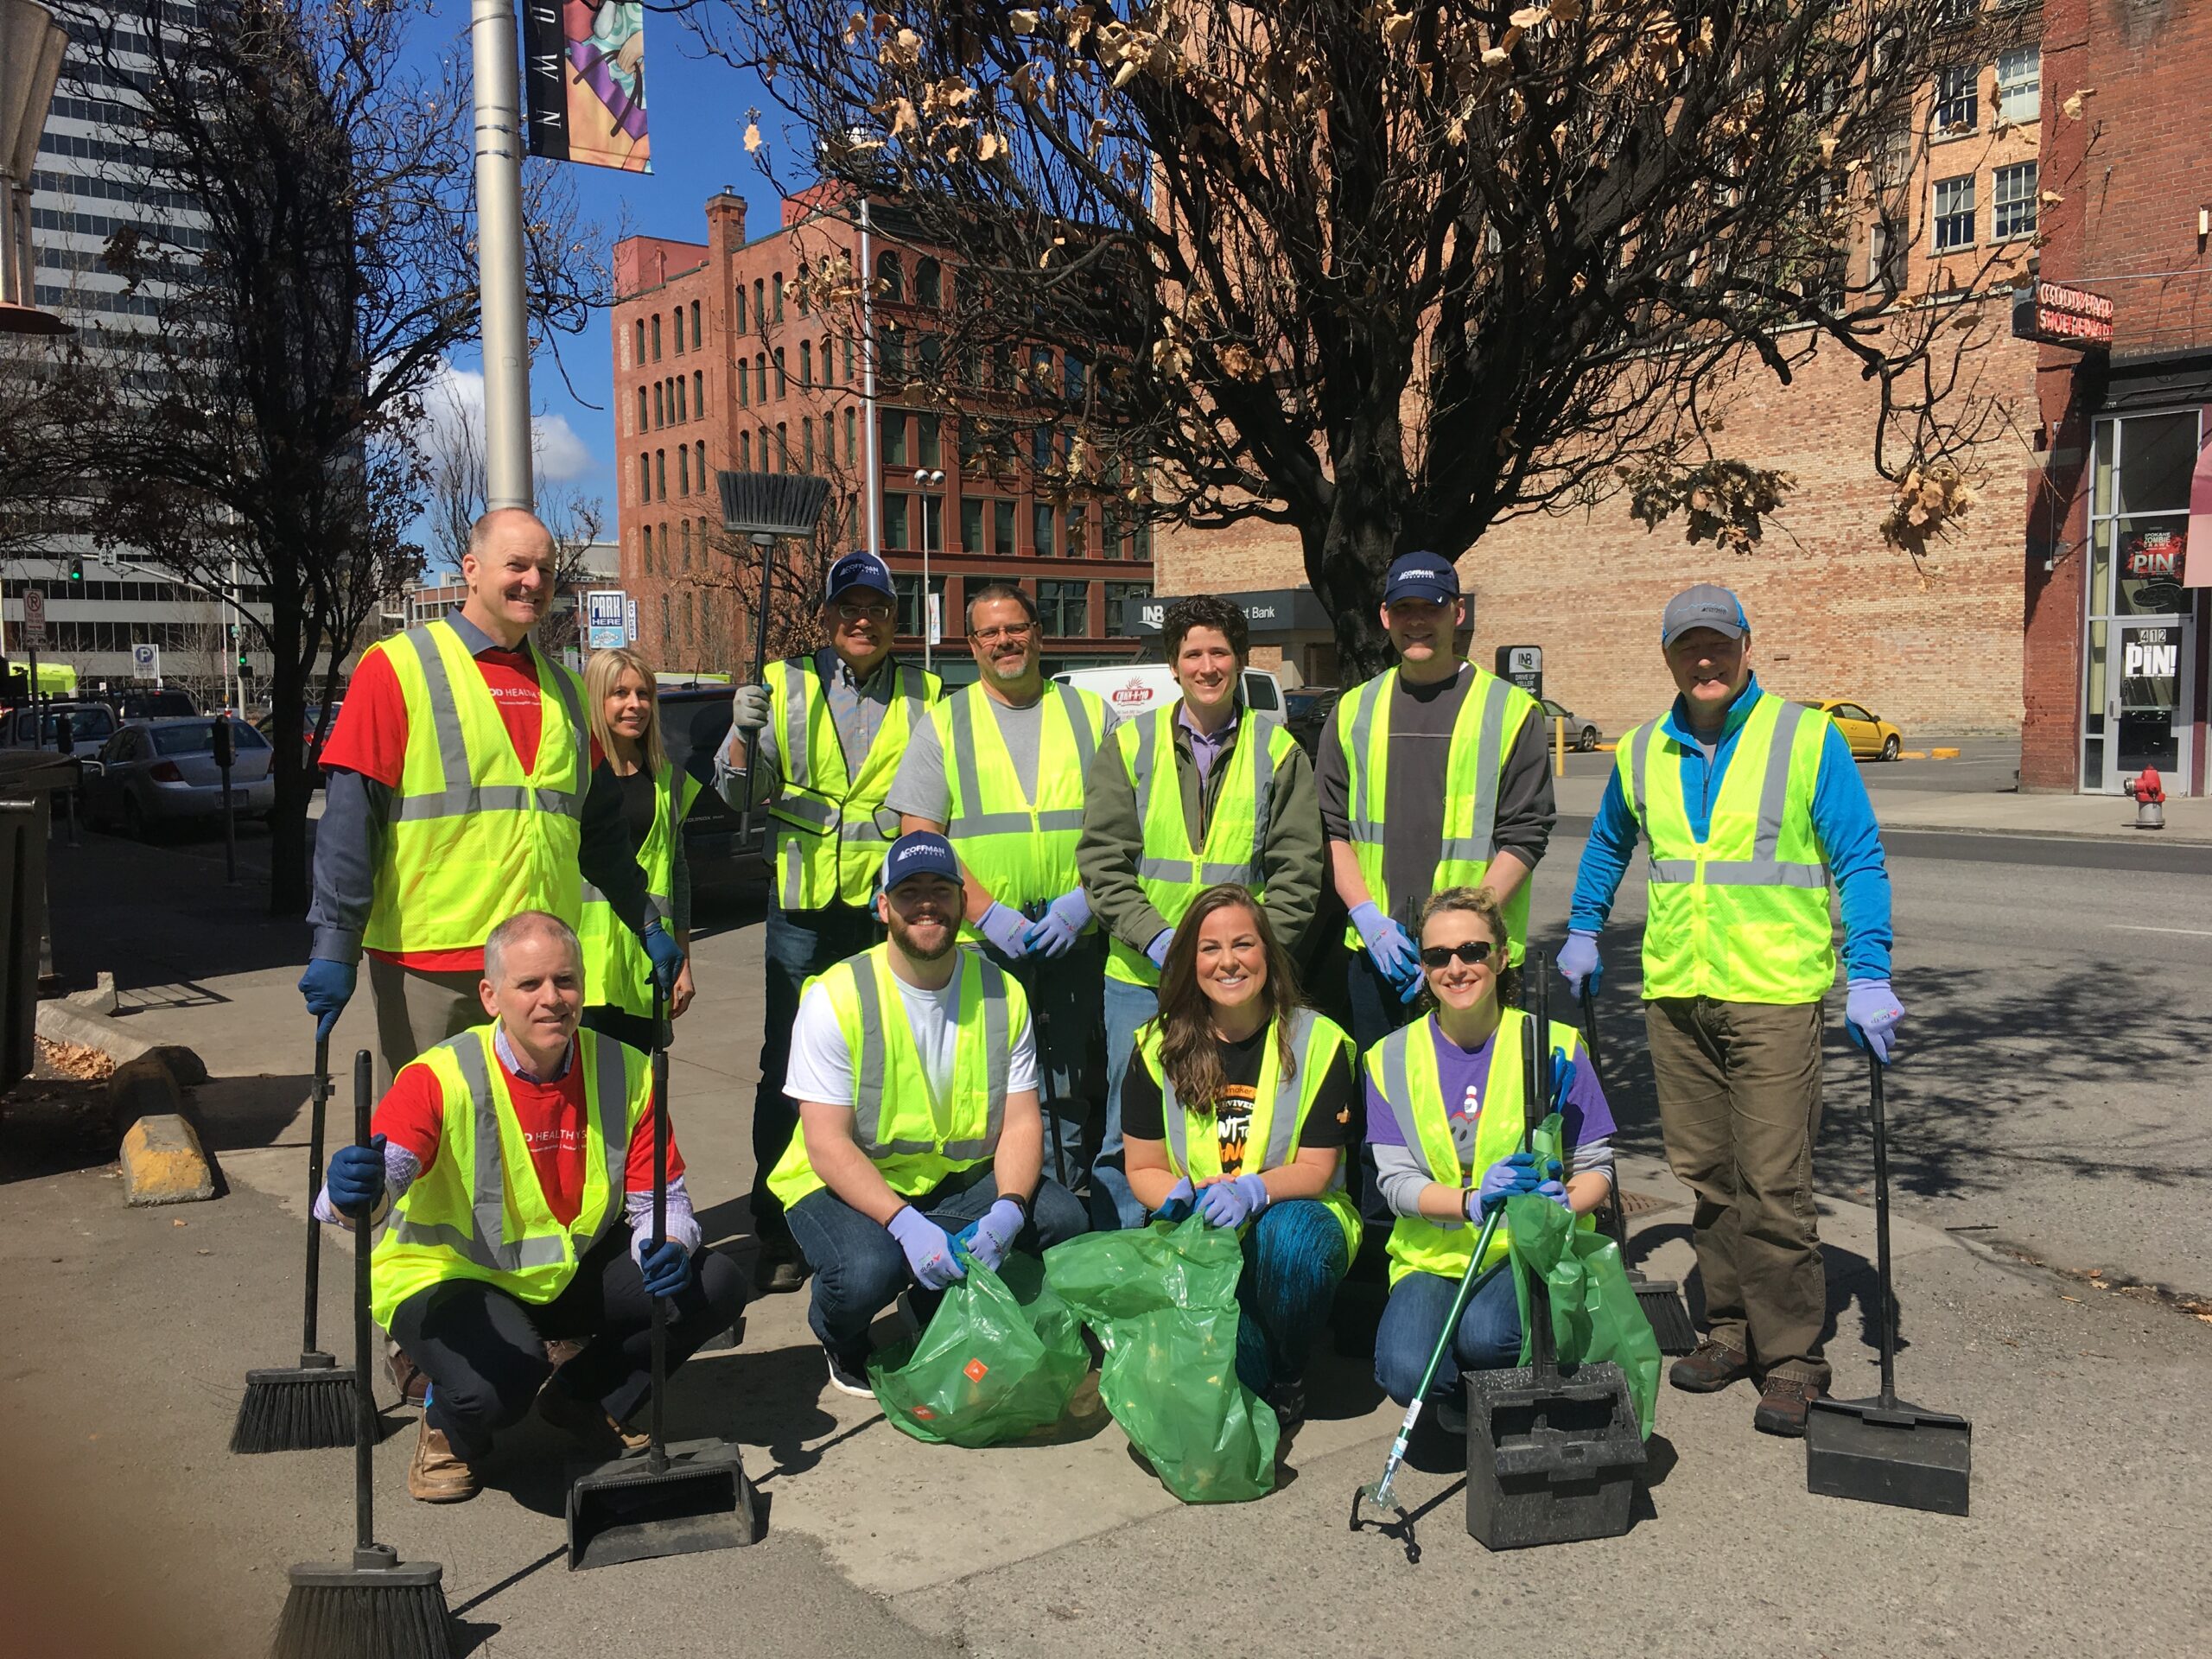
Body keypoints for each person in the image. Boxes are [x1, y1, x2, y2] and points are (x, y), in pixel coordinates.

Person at [1560, 583, 1903, 1438]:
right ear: (1669, 656)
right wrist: (1579, 928)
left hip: (1774, 995)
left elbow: (1857, 860)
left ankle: (1791, 1357)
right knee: (1708, 1180)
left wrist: (1868, 971)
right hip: (1678, 995)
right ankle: (1728, 1329)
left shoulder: (1804, 738)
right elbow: (1607, 844)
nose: (1704, 660)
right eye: (1688, 647)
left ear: (1747, 647)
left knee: (1773, 1183)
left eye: (1719, 644)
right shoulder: (1641, 752)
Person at [316, 911, 741, 1503]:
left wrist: (667, 1243)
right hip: (447, 1279)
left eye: (565, 981)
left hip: (560, 1272)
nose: (552, 1000)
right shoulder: (441, 1077)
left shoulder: (626, 1070)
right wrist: (350, 1192)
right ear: (491, 996)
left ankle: (583, 1398)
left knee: (714, 1282)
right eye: (530, 985)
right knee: (499, 1383)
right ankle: (448, 1428)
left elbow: (661, 1202)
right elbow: (385, 1174)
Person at [300, 508, 680, 1090]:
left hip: (537, 970)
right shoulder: (398, 669)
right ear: (471, 570)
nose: (533, 581)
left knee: (532, 1142)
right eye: (517, 565)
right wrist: (335, 942)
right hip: (433, 967)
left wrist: (648, 924)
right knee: (432, 1145)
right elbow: (352, 821)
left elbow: (600, 835)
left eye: (546, 570)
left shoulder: (569, 692)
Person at [768, 832, 1090, 1396]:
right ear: (883, 906)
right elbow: (826, 1144)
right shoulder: (836, 996)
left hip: (952, 1181)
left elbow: (1020, 1122)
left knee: (1062, 1218)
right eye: (909, 891)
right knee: (868, 1272)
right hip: (843, 1186)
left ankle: (930, 1293)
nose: (926, 904)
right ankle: (836, 1331)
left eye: (940, 890)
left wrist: (1011, 1208)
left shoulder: (1002, 991)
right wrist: (903, 1225)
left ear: (964, 905)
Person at [720, 550, 942, 1294]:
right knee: (788, 1068)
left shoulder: (928, 693)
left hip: (888, 913)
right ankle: (778, 1226)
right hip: (805, 913)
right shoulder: (782, 685)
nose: (862, 620)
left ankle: (876, 1214)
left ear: (892, 618)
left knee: (886, 1068)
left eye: (876, 608)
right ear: (828, 615)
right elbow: (738, 794)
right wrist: (741, 735)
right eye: (848, 607)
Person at [1077, 594, 1323, 1230]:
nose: (1207, 665)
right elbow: (1104, 864)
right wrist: (1161, 943)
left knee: (1233, 1132)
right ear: (1173, 663)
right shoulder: (1129, 745)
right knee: (1126, 1142)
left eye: (1219, 652)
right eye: (1193, 653)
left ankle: (1222, 1281)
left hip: (1238, 987)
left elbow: (1298, 875)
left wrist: (1242, 956)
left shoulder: (1278, 750)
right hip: (1141, 980)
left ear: (1240, 660)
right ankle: (1127, 1289)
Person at [888, 582, 1110, 1190]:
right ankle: (1006, 1202)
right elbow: (919, 840)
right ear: (972, 644)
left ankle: (1066, 1203)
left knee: (1072, 1086)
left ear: (1038, 633)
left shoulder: (1092, 715)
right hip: (986, 941)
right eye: (990, 632)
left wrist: (1083, 905)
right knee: (993, 1086)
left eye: (1015, 627)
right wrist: (986, 915)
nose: (1004, 641)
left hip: (1075, 935)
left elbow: (1127, 826)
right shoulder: (945, 724)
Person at [1367, 887, 1616, 1428]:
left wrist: (1564, 1205)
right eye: (1438, 956)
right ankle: (1467, 1404)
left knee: (1488, 1335)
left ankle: (1512, 1395)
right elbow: (1396, 1183)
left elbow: (1596, 1166)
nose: (1456, 968)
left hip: (1524, 1251)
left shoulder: (1557, 1044)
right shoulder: (1389, 1058)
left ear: (1502, 957)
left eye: (1473, 951)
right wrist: (1472, 1201)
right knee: (1407, 1368)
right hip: (1433, 1256)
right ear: (1425, 967)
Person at [1121, 884, 1359, 1431]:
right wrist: (1182, 1198)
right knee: (1206, 1397)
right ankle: (1253, 1360)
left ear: (1267, 955)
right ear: (1190, 961)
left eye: (1243, 945)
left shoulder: (1317, 1041)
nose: (1228, 962)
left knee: (1290, 1243)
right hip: (1201, 1237)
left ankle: (1291, 1370)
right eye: (1210, 949)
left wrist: (1254, 1191)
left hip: (1292, 1216)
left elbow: (1319, 1169)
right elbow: (1143, 1168)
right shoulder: (1155, 1048)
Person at [1316, 550, 1554, 1051]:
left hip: (1471, 959)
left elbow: (1525, 836)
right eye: (1404, 609)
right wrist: (1367, 919)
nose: (1417, 621)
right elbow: (1332, 830)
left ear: (1458, 612)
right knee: (1381, 1107)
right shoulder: (1354, 710)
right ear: (1386, 617)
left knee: (1476, 1111)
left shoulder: (1510, 711)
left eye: (1432, 607)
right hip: (1379, 954)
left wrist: (1462, 937)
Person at [579, 646, 700, 1052]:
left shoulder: (668, 778)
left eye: (644, 693)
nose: (635, 705)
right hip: (581, 972)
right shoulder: (570, 775)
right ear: (596, 700)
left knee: (635, 1101)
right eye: (620, 694)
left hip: (647, 968)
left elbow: (678, 873)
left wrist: (682, 958)